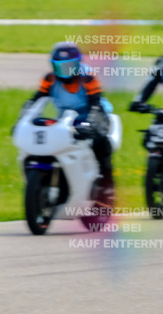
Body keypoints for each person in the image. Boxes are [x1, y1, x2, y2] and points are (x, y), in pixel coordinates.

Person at [24, 42, 115, 198]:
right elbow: (36, 100)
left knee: (99, 141)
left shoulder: (87, 77)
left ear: (77, 64)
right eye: (60, 67)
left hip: (93, 114)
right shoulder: (50, 79)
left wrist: (91, 124)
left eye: (69, 67)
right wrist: (24, 120)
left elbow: (96, 103)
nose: (64, 72)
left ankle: (106, 181)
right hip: (66, 118)